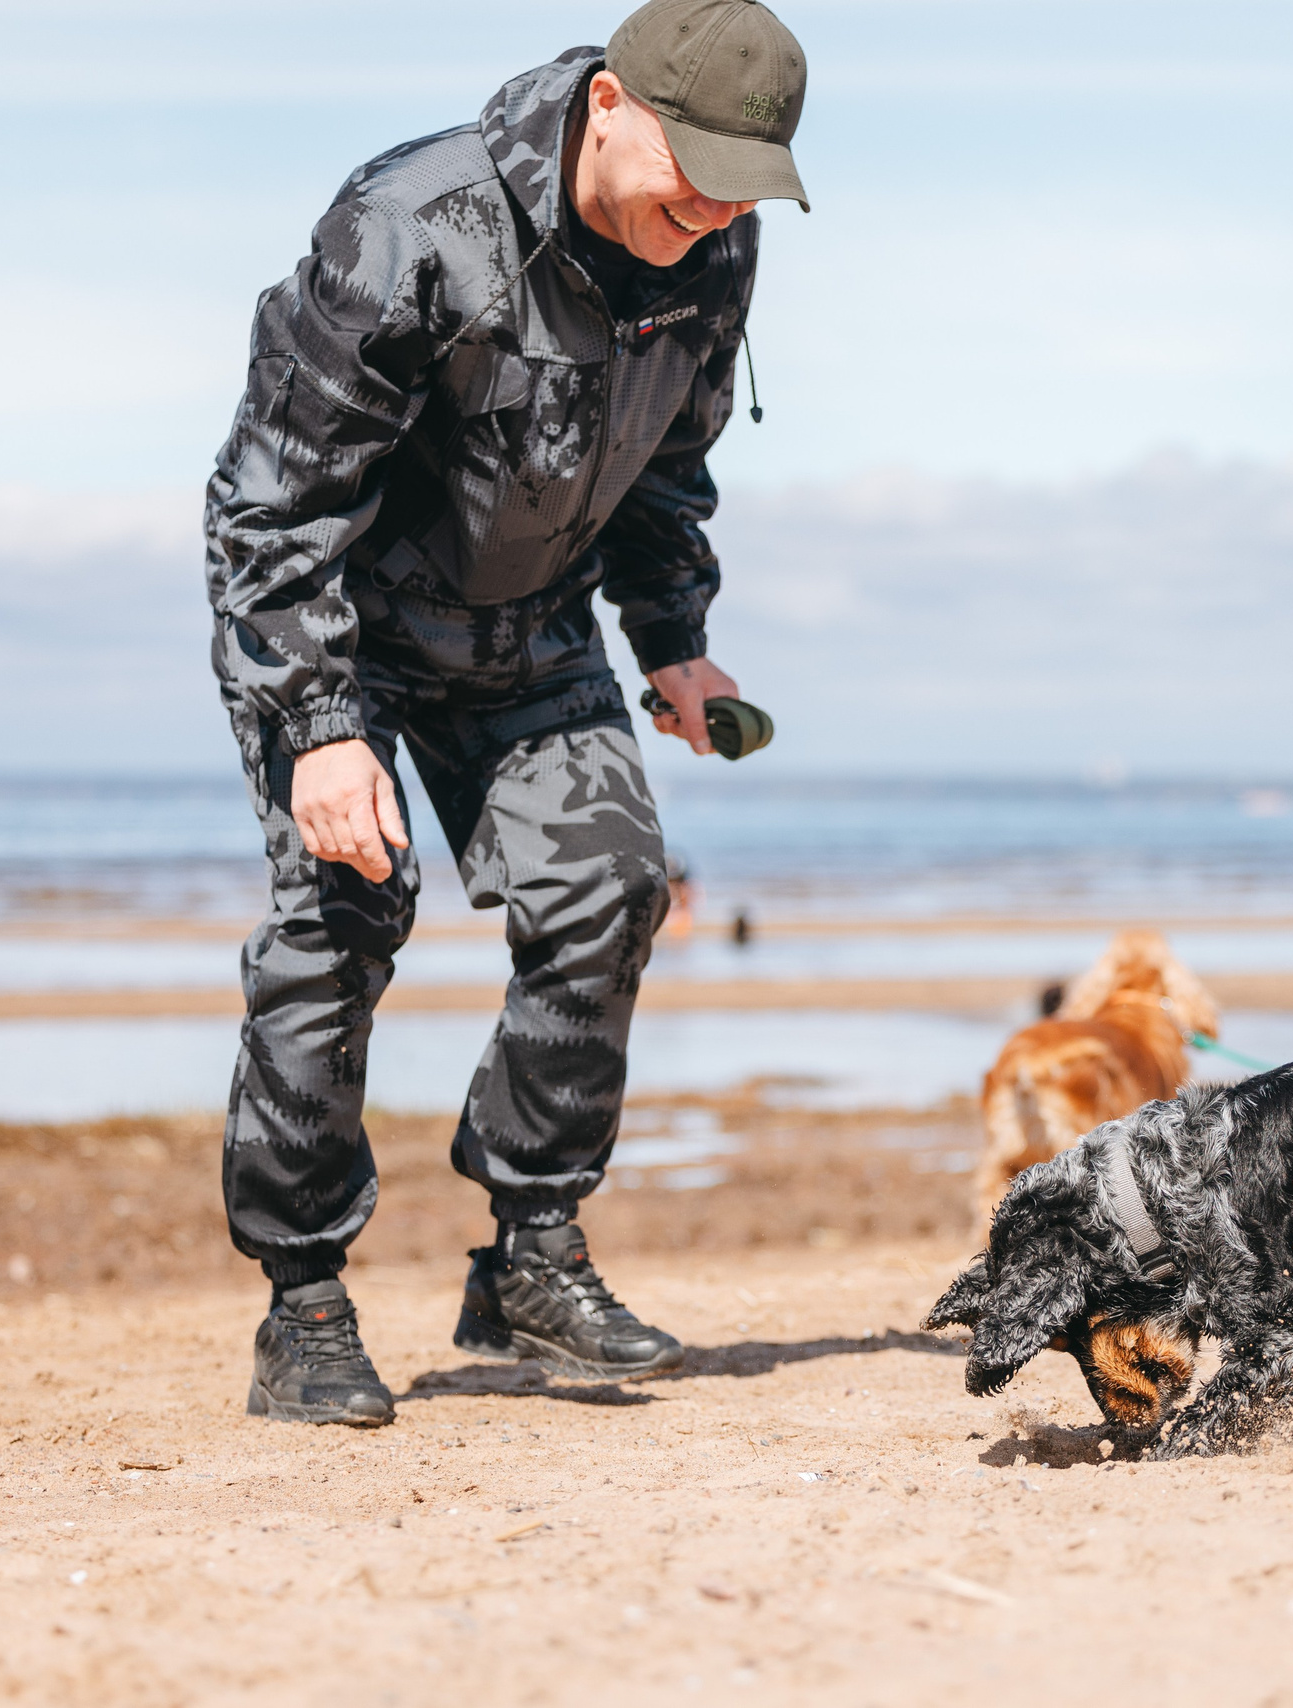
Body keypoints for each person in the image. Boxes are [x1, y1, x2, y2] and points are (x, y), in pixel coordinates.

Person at [202, 0, 810, 1424]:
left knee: (609, 889)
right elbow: (271, 506)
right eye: (695, 163)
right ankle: (302, 1301)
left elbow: (668, 461)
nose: (712, 205)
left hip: (531, 634)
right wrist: (317, 726)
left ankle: (529, 1256)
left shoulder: (714, 237)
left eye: (744, 177)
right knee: (340, 922)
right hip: (341, 632)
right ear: (610, 104)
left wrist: (677, 645)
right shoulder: (409, 227)